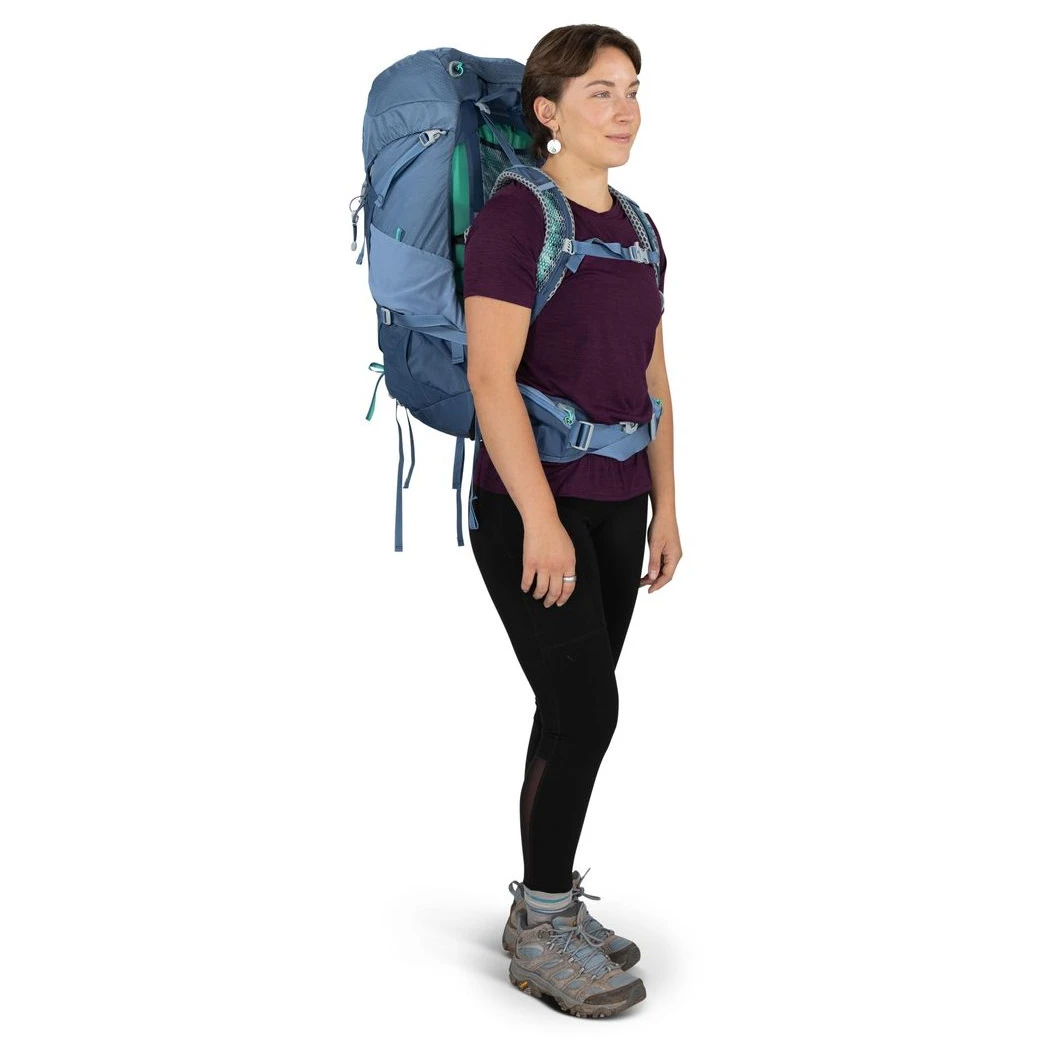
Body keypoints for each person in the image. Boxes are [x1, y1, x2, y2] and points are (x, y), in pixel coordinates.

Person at [464, 24, 682, 1019]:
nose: (624, 108)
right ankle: (543, 926)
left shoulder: (637, 226)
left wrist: (667, 503)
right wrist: (540, 520)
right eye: (600, 91)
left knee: (570, 708)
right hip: (530, 508)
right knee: (587, 708)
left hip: (619, 502)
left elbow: (652, 378)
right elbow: (489, 376)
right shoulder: (515, 217)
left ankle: (541, 904)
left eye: (631, 88)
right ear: (548, 112)